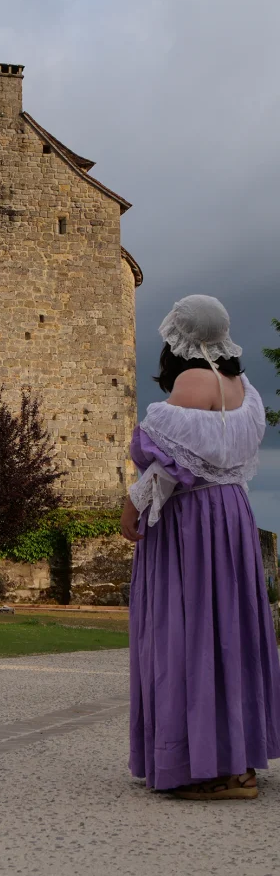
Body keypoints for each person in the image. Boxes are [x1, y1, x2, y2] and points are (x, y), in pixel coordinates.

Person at [120, 294, 280, 800]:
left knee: (186, 631)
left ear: (179, 337)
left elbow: (166, 464)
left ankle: (209, 769)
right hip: (231, 518)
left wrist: (131, 510)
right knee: (227, 630)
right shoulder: (243, 387)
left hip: (193, 525)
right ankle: (238, 759)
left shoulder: (193, 380)